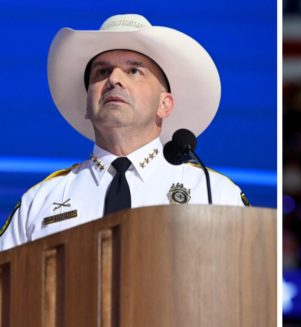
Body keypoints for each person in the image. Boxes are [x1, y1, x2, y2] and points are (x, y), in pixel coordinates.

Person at [0, 14, 249, 251]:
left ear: (165, 104)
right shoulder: (39, 202)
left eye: (133, 71)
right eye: (102, 72)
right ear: (87, 104)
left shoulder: (214, 194)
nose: (114, 79)